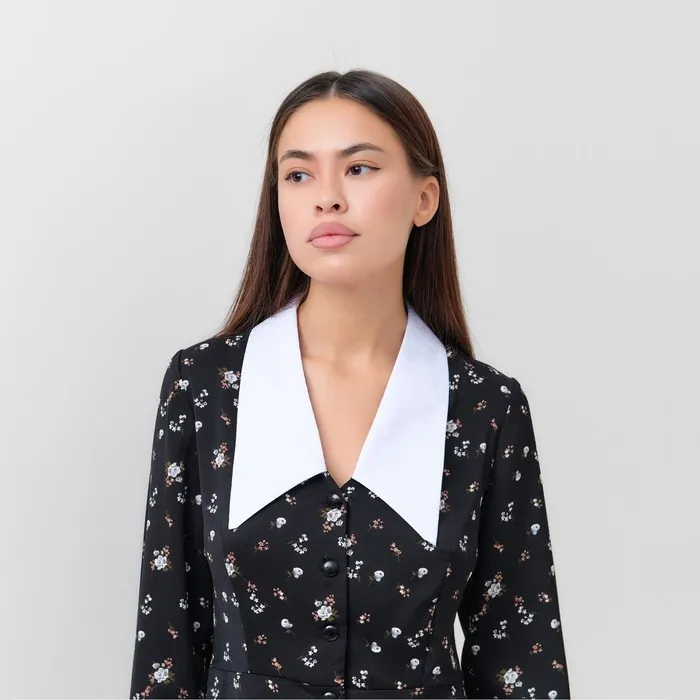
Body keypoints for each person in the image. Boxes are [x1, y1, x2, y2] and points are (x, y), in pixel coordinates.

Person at [128, 69, 571, 700]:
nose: (327, 198)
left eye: (359, 169)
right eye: (298, 175)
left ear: (424, 199)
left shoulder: (485, 408)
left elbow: (520, 664)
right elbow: (166, 648)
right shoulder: (206, 388)